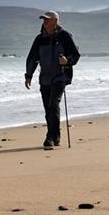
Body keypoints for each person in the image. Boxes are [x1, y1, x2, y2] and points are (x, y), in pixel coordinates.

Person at [24, 11, 80, 149]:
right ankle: (56, 136)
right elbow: (32, 58)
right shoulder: (39, 39)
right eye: (43, 20)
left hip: (60, 76)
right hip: (44, 78)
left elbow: (75, 55)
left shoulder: (64, 36)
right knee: (48, 108)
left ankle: (50, 137)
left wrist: (67, 61)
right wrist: (29, 75)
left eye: (47, 20)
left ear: (55, 21)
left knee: (53, 105)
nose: (44, 22)